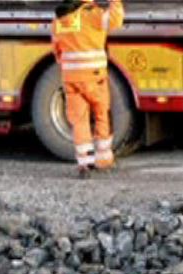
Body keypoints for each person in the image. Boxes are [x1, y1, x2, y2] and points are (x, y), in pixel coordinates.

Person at [51, 0, 125, 178]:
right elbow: (116, 19)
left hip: (71, 78)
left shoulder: (59, 20)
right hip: (94, 76)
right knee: (101, 114)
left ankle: (84, 163)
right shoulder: (92, 15)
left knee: (79, 120)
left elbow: (57, 50)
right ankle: (104, 159)